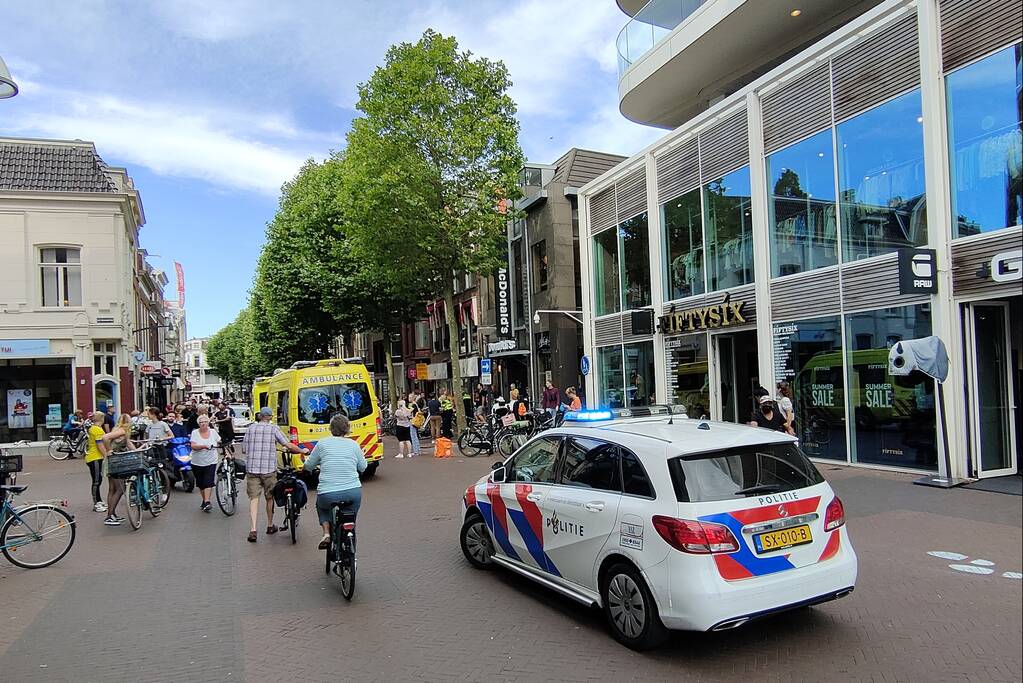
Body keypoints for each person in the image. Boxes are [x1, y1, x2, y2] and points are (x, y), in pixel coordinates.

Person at [242, 406, 308, 543]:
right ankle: (270, 525)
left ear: (260, 416)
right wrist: (302, 451)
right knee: (269, 497)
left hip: (253, 469)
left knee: (254, 499)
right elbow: (288, 445)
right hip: (268, 470)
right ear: (270, 417)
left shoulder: (250, 429)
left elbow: (244, 449)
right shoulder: (273, 429)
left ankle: (253, 529)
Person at [303, 414, 367, 550]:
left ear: (331, 428)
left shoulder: (322, 444)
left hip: (328, 492)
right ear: (347, 429)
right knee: (350, 517)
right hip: (353, 491)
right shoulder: (354, 445)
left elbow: (309, 466)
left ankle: (326, 533)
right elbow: (363, 467)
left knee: (322, 507)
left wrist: (307, 467)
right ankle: (349, 537)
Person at [100, 414, 136, 526]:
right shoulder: (122, 431)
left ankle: (112, 514)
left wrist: (141, 448)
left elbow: (131, 447)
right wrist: (109, 450)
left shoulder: (119, 431)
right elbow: (105, 437)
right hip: (115, 461)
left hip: (111, 461)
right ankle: (109, 516)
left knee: (112, 489)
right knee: (120, 488)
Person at [190, 414, 222, 512]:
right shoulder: (195, 432)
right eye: (201, 422)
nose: (203, 424)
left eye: (205, 422)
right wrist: (203, 446)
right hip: (197, 461)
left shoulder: (213, 432)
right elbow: (193, 446)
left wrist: (224, 448)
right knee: (201, 483)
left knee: (208, 481)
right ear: (198, 424)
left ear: (208, 423)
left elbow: (220, 441)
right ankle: (204, 500)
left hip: (211, 460)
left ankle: (207, 501)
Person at [84, 411, 107, 513]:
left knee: (98, 479)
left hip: (93, 457)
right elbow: (100, 445)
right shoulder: (97, 430)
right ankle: (96, 503)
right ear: (102, 419)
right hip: (95, 458)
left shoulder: (93, 428)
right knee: (97, 481)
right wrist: (106, 455)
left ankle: (99, 500)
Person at [407, 392, 422, 457]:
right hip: (415, 421)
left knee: (413, 436)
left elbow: (409, 412)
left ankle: (416, 451)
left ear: (413, 398)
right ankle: (418, 450)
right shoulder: (415, 404)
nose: (408, 398)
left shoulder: (413, 405)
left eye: (410, 397)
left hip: (412, 421)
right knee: (415, 435)